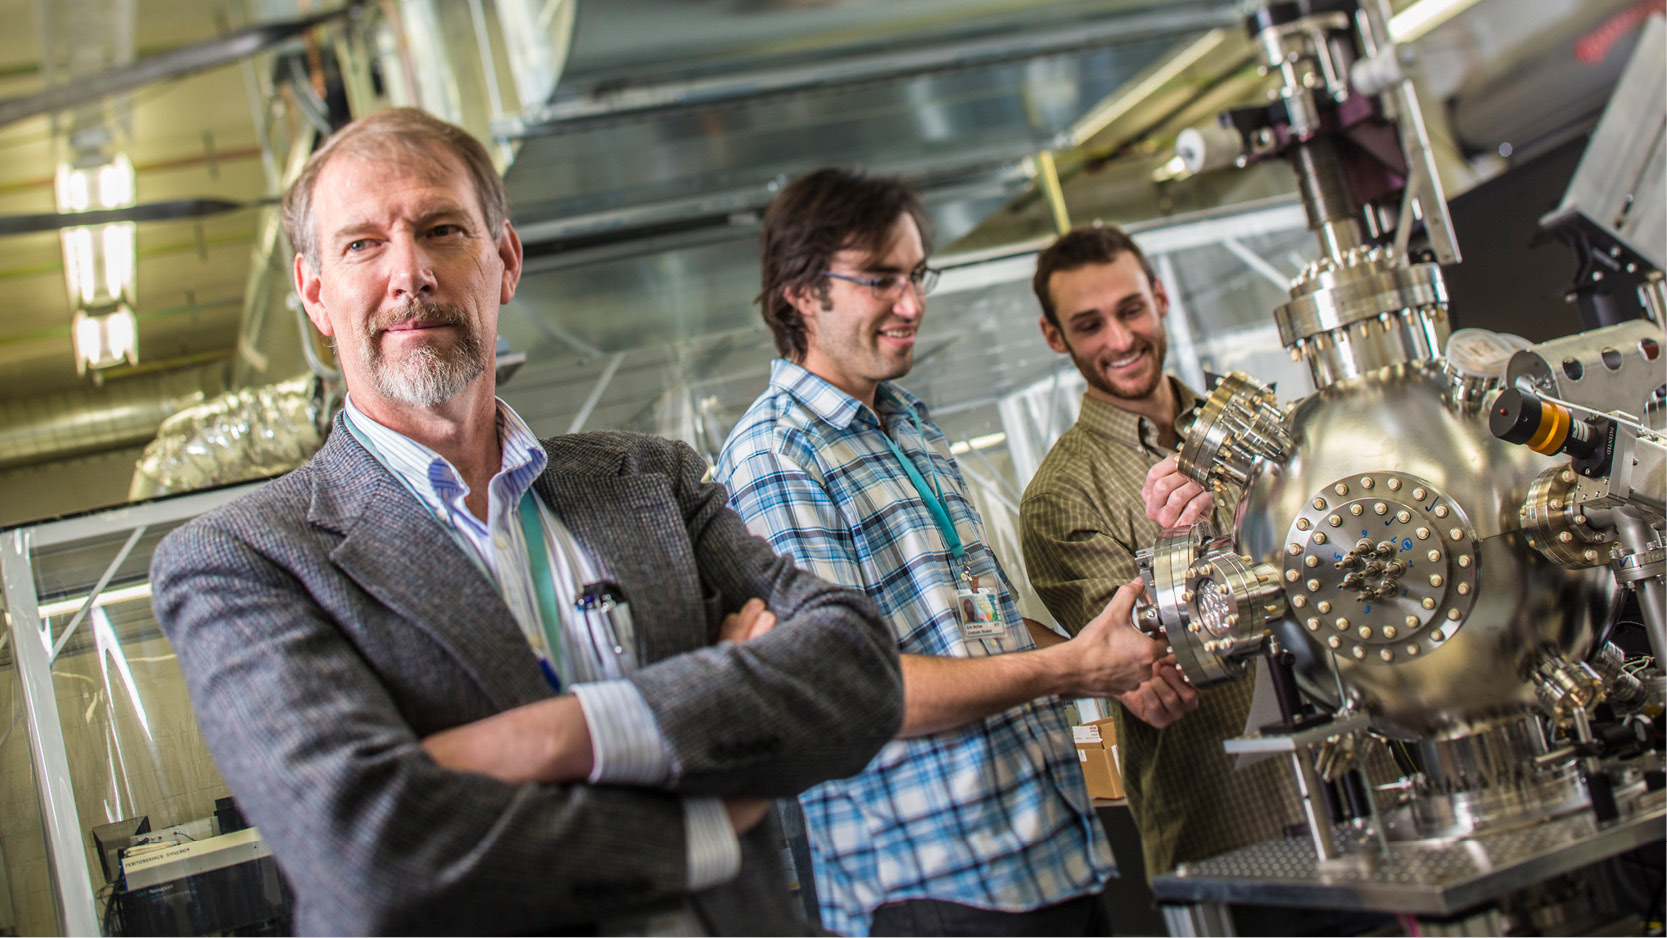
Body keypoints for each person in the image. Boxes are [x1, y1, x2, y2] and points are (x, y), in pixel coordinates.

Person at [148, 109, 904, 936]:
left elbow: (857, 665)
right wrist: (701, 822)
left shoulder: (650, 479)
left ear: (504, 260)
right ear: (315, 293)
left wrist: (557, 736)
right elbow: (371, 847)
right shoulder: (244, 560)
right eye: (362, 244)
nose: (410, 273)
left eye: (442, 229)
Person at [714, 169, 1171, 937]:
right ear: (798, 292)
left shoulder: (907, 425)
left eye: (917, 274)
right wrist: (1072, 670)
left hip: (1045, 849)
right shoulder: (775, 458)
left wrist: (1106, 664)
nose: (913, 304)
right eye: (880, 280)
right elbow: (855, 691)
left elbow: (974, 621)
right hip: (934, 886)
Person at [1017, 224, 1309, 880]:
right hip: (1231, 829)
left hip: (1360, 778)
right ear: (1053, 337)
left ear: (1158, 296)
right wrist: (1193, 541)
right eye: (1088, 325)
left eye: (1129, 311)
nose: (1119, 341)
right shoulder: (1061, 497)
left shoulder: (1254, 423)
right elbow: (1143, 660)